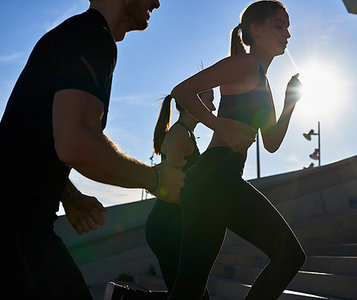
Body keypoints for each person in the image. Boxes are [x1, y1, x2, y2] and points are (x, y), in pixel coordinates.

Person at [1, 0, 186, 299]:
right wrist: (155, 180)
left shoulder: (78, 35)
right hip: (16, 227)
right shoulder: (92, 37)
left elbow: (29, 137)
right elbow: (75, 142)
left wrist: (70, 195)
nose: (157, 2)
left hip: (27, 224)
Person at [167, 1, 306, 299]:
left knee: (187, 290)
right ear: (255, 29)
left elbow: (270, 143)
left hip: (211, 181)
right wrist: (221, 126)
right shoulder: (244, 64)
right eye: (279, 25)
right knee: (290, 256)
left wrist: (290, 103)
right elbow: (181, 91)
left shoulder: (264, 81)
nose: (287, 34)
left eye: (288, 27)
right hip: (217, 177)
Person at [105, 90, 215, 300]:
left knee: (191, 294)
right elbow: (170, 187)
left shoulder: (186, 134)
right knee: (193, 295)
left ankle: (122, 296)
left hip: (173, 225)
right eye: (210, 100)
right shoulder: (179, 134)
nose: (213, 108)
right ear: (194, 101)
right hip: (167, 228)